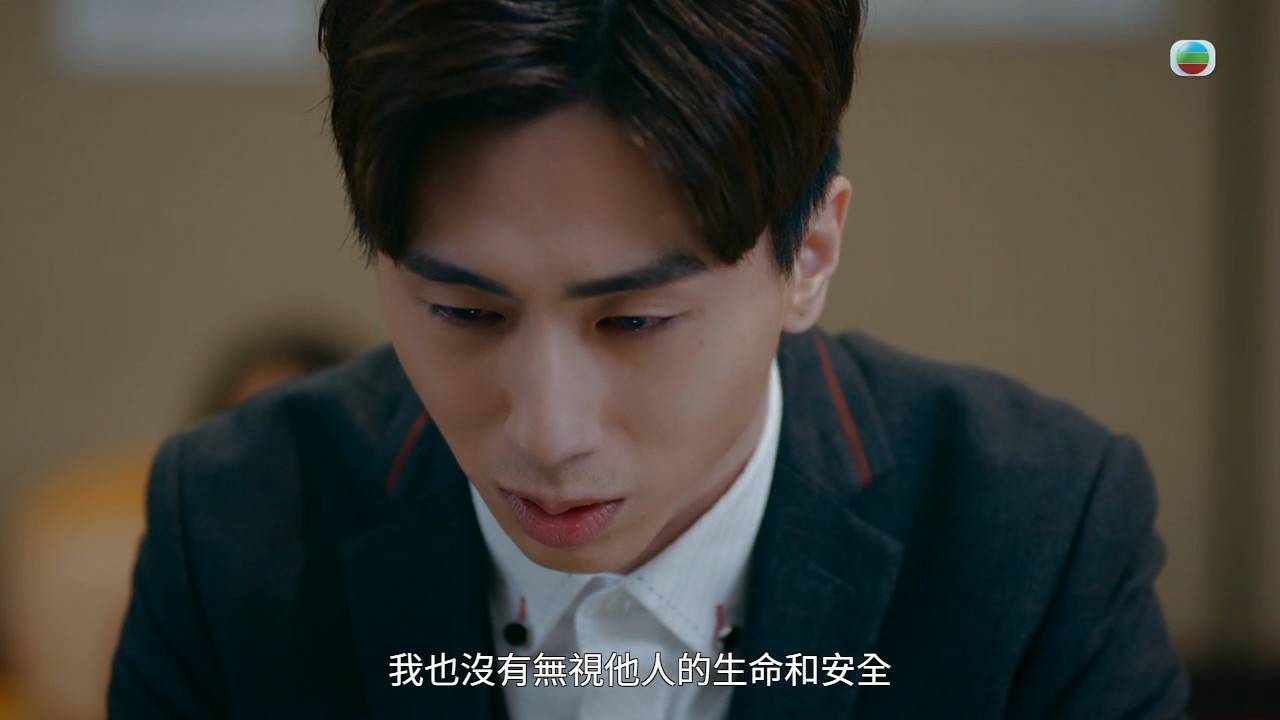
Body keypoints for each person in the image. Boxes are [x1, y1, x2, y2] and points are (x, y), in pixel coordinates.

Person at [108, 1, 1189, 718]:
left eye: (633, 322)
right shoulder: (232, 532)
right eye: (462, 311)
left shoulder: (1036, 536)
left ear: (809, 254)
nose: (547, 433)